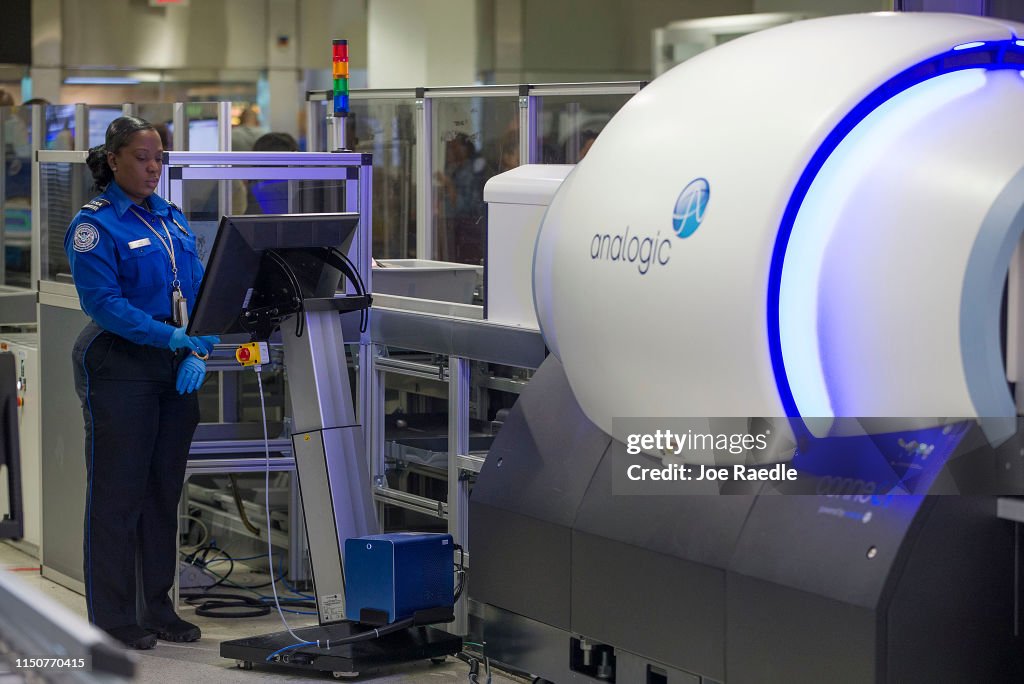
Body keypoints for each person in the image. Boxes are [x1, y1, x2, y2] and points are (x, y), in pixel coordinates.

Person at [65, 116, 219, 650]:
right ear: (114, 160)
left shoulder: (170, 219)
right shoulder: (96, 225)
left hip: (173, 368)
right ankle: (111, 616)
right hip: (120, 366)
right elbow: (104, 305)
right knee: (117, 495)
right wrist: (172, 338)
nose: (153, 167)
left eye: (159, 158)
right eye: (141, 157)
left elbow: (199, 289)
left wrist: (200, 342)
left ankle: (157, 608)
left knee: (162, 493)